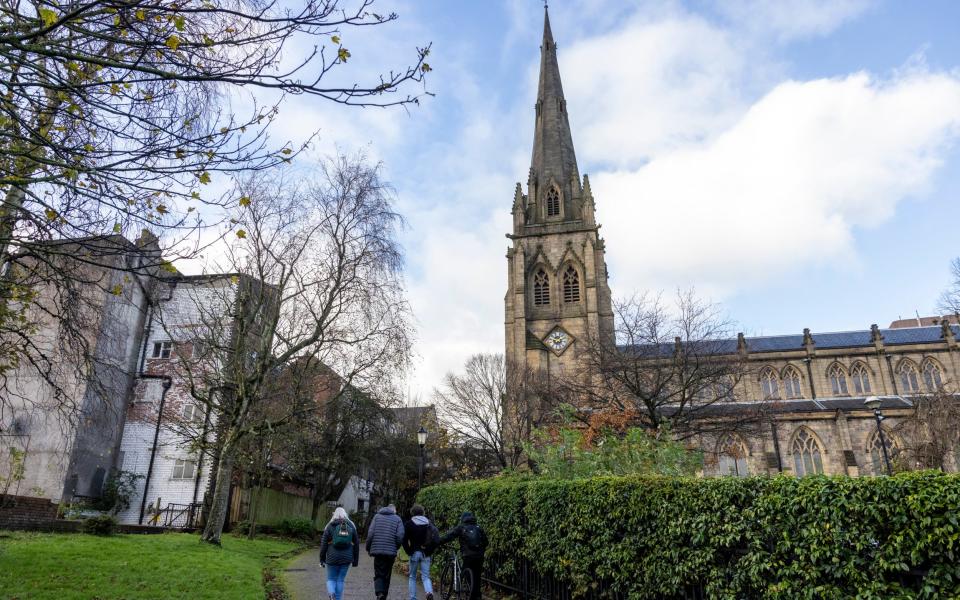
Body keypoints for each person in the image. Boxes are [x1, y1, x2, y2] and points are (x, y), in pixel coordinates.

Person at [439, 512, 488, 600]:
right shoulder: (479, 528)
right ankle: (477, 596)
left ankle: (463, 592)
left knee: (466, 573)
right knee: (477, 576)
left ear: (463, 519)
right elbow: (486, 542)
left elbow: (449, 536)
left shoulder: (461, 528)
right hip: (479, 556)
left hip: (467, 555)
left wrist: (439, 542)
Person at [365, 503, 405, 600]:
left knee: (378, 573)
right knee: (387, 574)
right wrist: (396, 547)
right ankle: (384, 595)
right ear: (394, 510)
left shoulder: (377, 517)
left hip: (377, 551)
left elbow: (370, 534)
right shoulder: (397, 519)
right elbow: (400, 536)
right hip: (390, 553)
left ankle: (379, 593)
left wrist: (368, 547)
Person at [319, 507, 360, 600]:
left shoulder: (329, 526)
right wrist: (355, 561)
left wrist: (322, 559)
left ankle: (331, 594)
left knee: (331, 579)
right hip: (346, 558)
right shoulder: (351, 525)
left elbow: (323, 545)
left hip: (332, 557)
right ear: (345, 514)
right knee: (340, 580)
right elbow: (356, 544)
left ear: (334, 515)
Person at [403, 504, 439, 600]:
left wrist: (409, 551)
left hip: (414, 553)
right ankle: (429, 592)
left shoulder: (409, 524)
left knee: (412, 576)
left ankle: (413, 598)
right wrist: (429, 551)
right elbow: (436, 540)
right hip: (425, 554)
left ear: (412, 513)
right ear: (423, 513)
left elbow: (404, 540)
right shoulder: (429, 523)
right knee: (426, 576)